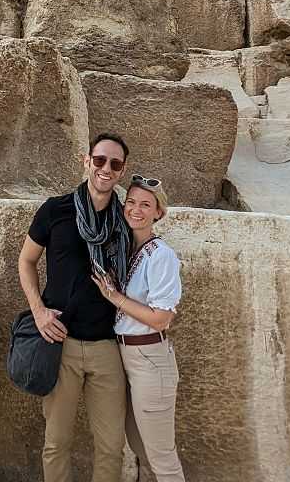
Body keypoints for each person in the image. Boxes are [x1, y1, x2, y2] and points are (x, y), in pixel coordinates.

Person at [18, 132, 131, 482]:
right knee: (56, 443)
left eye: (115, 163)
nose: (106, 169)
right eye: (99, 160)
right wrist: (38, 311)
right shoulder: (56, 210)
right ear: (87, 161)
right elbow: (26, 262)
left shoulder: (126, 220)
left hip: (106, 345)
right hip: (60, 342)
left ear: (122, 170)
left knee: (112, 447)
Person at [92, 175, 185, 482]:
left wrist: (115, 298)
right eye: (131, 202)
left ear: (159, 212)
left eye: (146, 205)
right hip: (125, 357)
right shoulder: (126, 249)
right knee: (139, 445)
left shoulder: (162, 256)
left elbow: (162, 318)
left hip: (150, 359)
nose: (136, 210)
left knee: (161, 456)